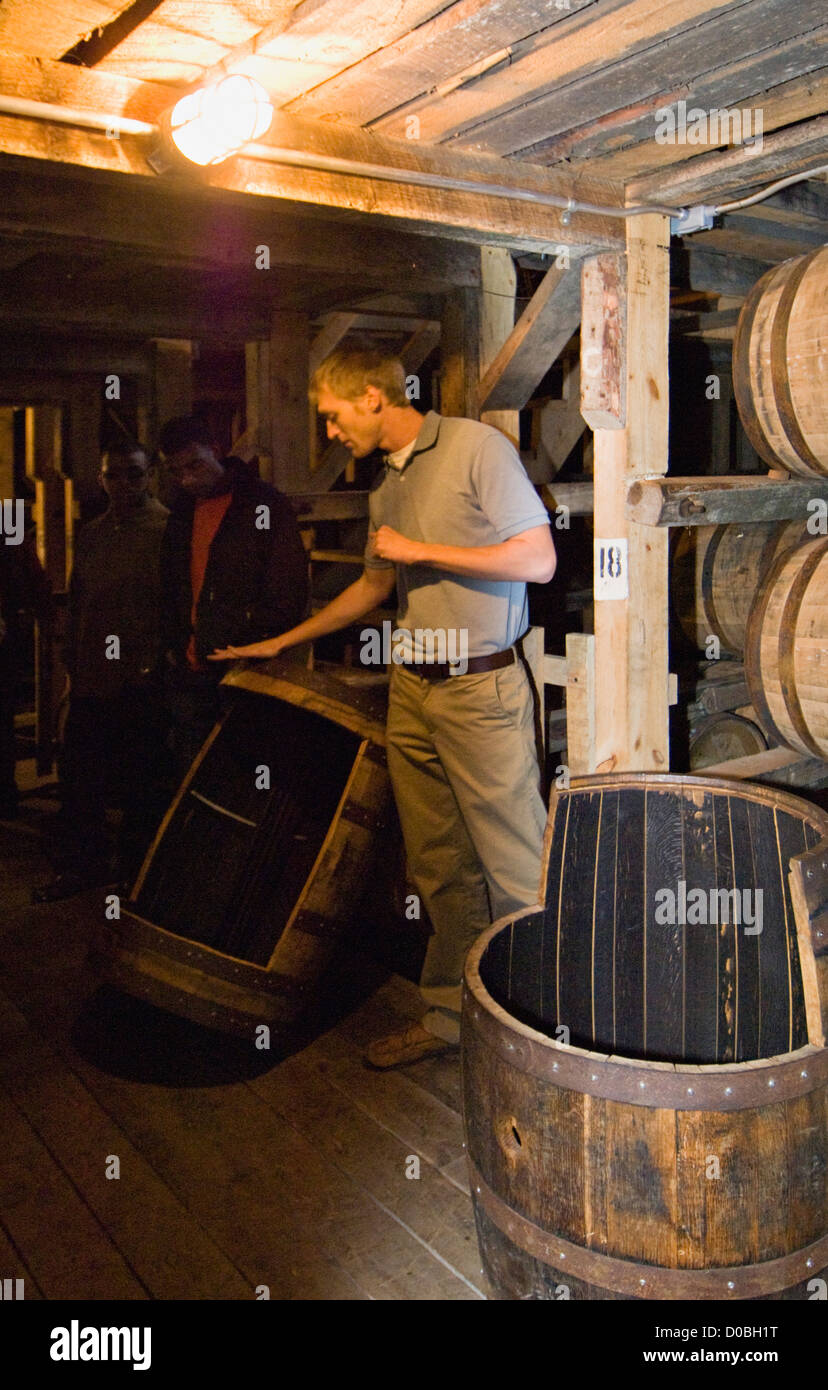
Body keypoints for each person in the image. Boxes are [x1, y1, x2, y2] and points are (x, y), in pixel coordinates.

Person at [210, 345, 556, 1068]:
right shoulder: (385, 488)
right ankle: (451, 1018)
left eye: (334, 418)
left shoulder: (474, 447)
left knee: (517, 867)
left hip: (479, 686)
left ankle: (541, 1038)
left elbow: (536, 560)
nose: (332, 434)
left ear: (372, 397)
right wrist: (282, 641)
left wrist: (422, 550)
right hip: (413, 689)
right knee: (438, 866)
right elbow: (371, 590)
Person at [35, 444, 169, 901]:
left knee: (140, 780)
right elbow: (79, 599)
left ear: (149, 474)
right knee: (81, 780)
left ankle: (139, 873)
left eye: (133, 475)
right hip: (94, 676)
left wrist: (157, 661)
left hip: (140, 677)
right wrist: (72, 656)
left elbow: (173, 605)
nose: (123, 485)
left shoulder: (166, 531)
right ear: (101, 478)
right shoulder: (93, 534)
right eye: (114, 476)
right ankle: (83, 865)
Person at [158, 417, 309, 776]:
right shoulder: (182, 510)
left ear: (216, 451)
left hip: (246, 667)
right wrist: (176, 645)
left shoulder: (262, 505)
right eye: (176, 471)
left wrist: (246, 640)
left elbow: (287, 589)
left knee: (246, 772)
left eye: (194, 464)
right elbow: (171, 584)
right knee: (195, 776)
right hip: (193, 669)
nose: (187, 478)